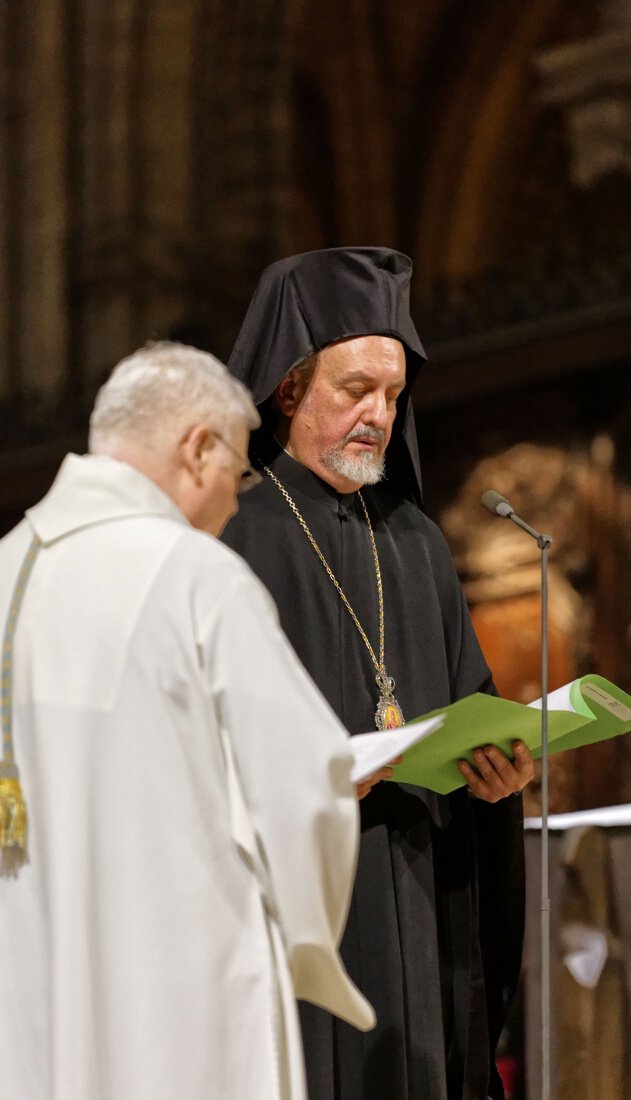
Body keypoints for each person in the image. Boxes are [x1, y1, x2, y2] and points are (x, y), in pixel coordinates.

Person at [0, 342, 374, 1100]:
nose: (236, 506)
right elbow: (303, 788)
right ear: (197, 448)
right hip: (175, 986)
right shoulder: (195, 577)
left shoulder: (6, 568)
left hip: (32, 976)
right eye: (237, 473)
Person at [223, 248, 535, 1100]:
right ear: (289, 388)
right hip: (302, 916)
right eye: (354, 388)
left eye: (393, 395)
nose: (379, 414)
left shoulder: (418, 543)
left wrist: (497, 777)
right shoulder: (227, 536)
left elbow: (468, 708)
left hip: (416, 895)